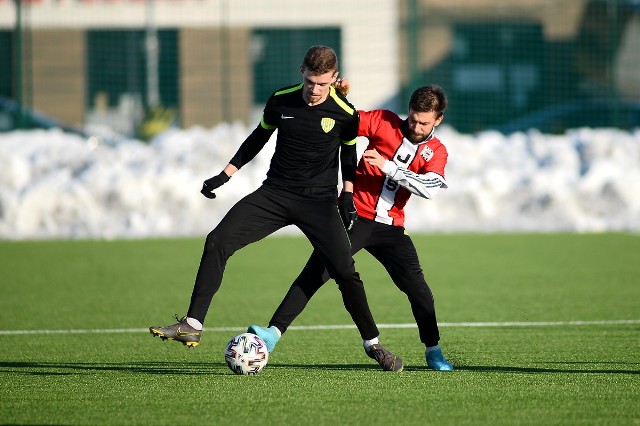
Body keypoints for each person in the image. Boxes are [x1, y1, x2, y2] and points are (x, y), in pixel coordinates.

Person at [149, 45, 403, 372]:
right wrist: (225, 175)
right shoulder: (281, 99)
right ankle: (193, 325)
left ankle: (374, 345)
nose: (315, 90)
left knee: (345, 272)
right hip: (275, 194)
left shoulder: (346, 113)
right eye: (311, 81)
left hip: (319, 203)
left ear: (334, 79)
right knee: (217, 241)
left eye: (323, 84)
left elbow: (348, 157)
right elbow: (258, 138)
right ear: (301, 72)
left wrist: (348, 194)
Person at [247, 84, 454, 371]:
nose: (416, 126)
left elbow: (431, 188)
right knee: (317, 272)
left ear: (438, 120)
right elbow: (344, 122)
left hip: (391, 227)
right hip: (354, 216)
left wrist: (388, 167)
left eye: (424, 122)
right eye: (413, 118)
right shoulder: (384, 121)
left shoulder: (436, 151)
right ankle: (272, 334)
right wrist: (336, 97)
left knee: (418, 290)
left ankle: (433, 350)